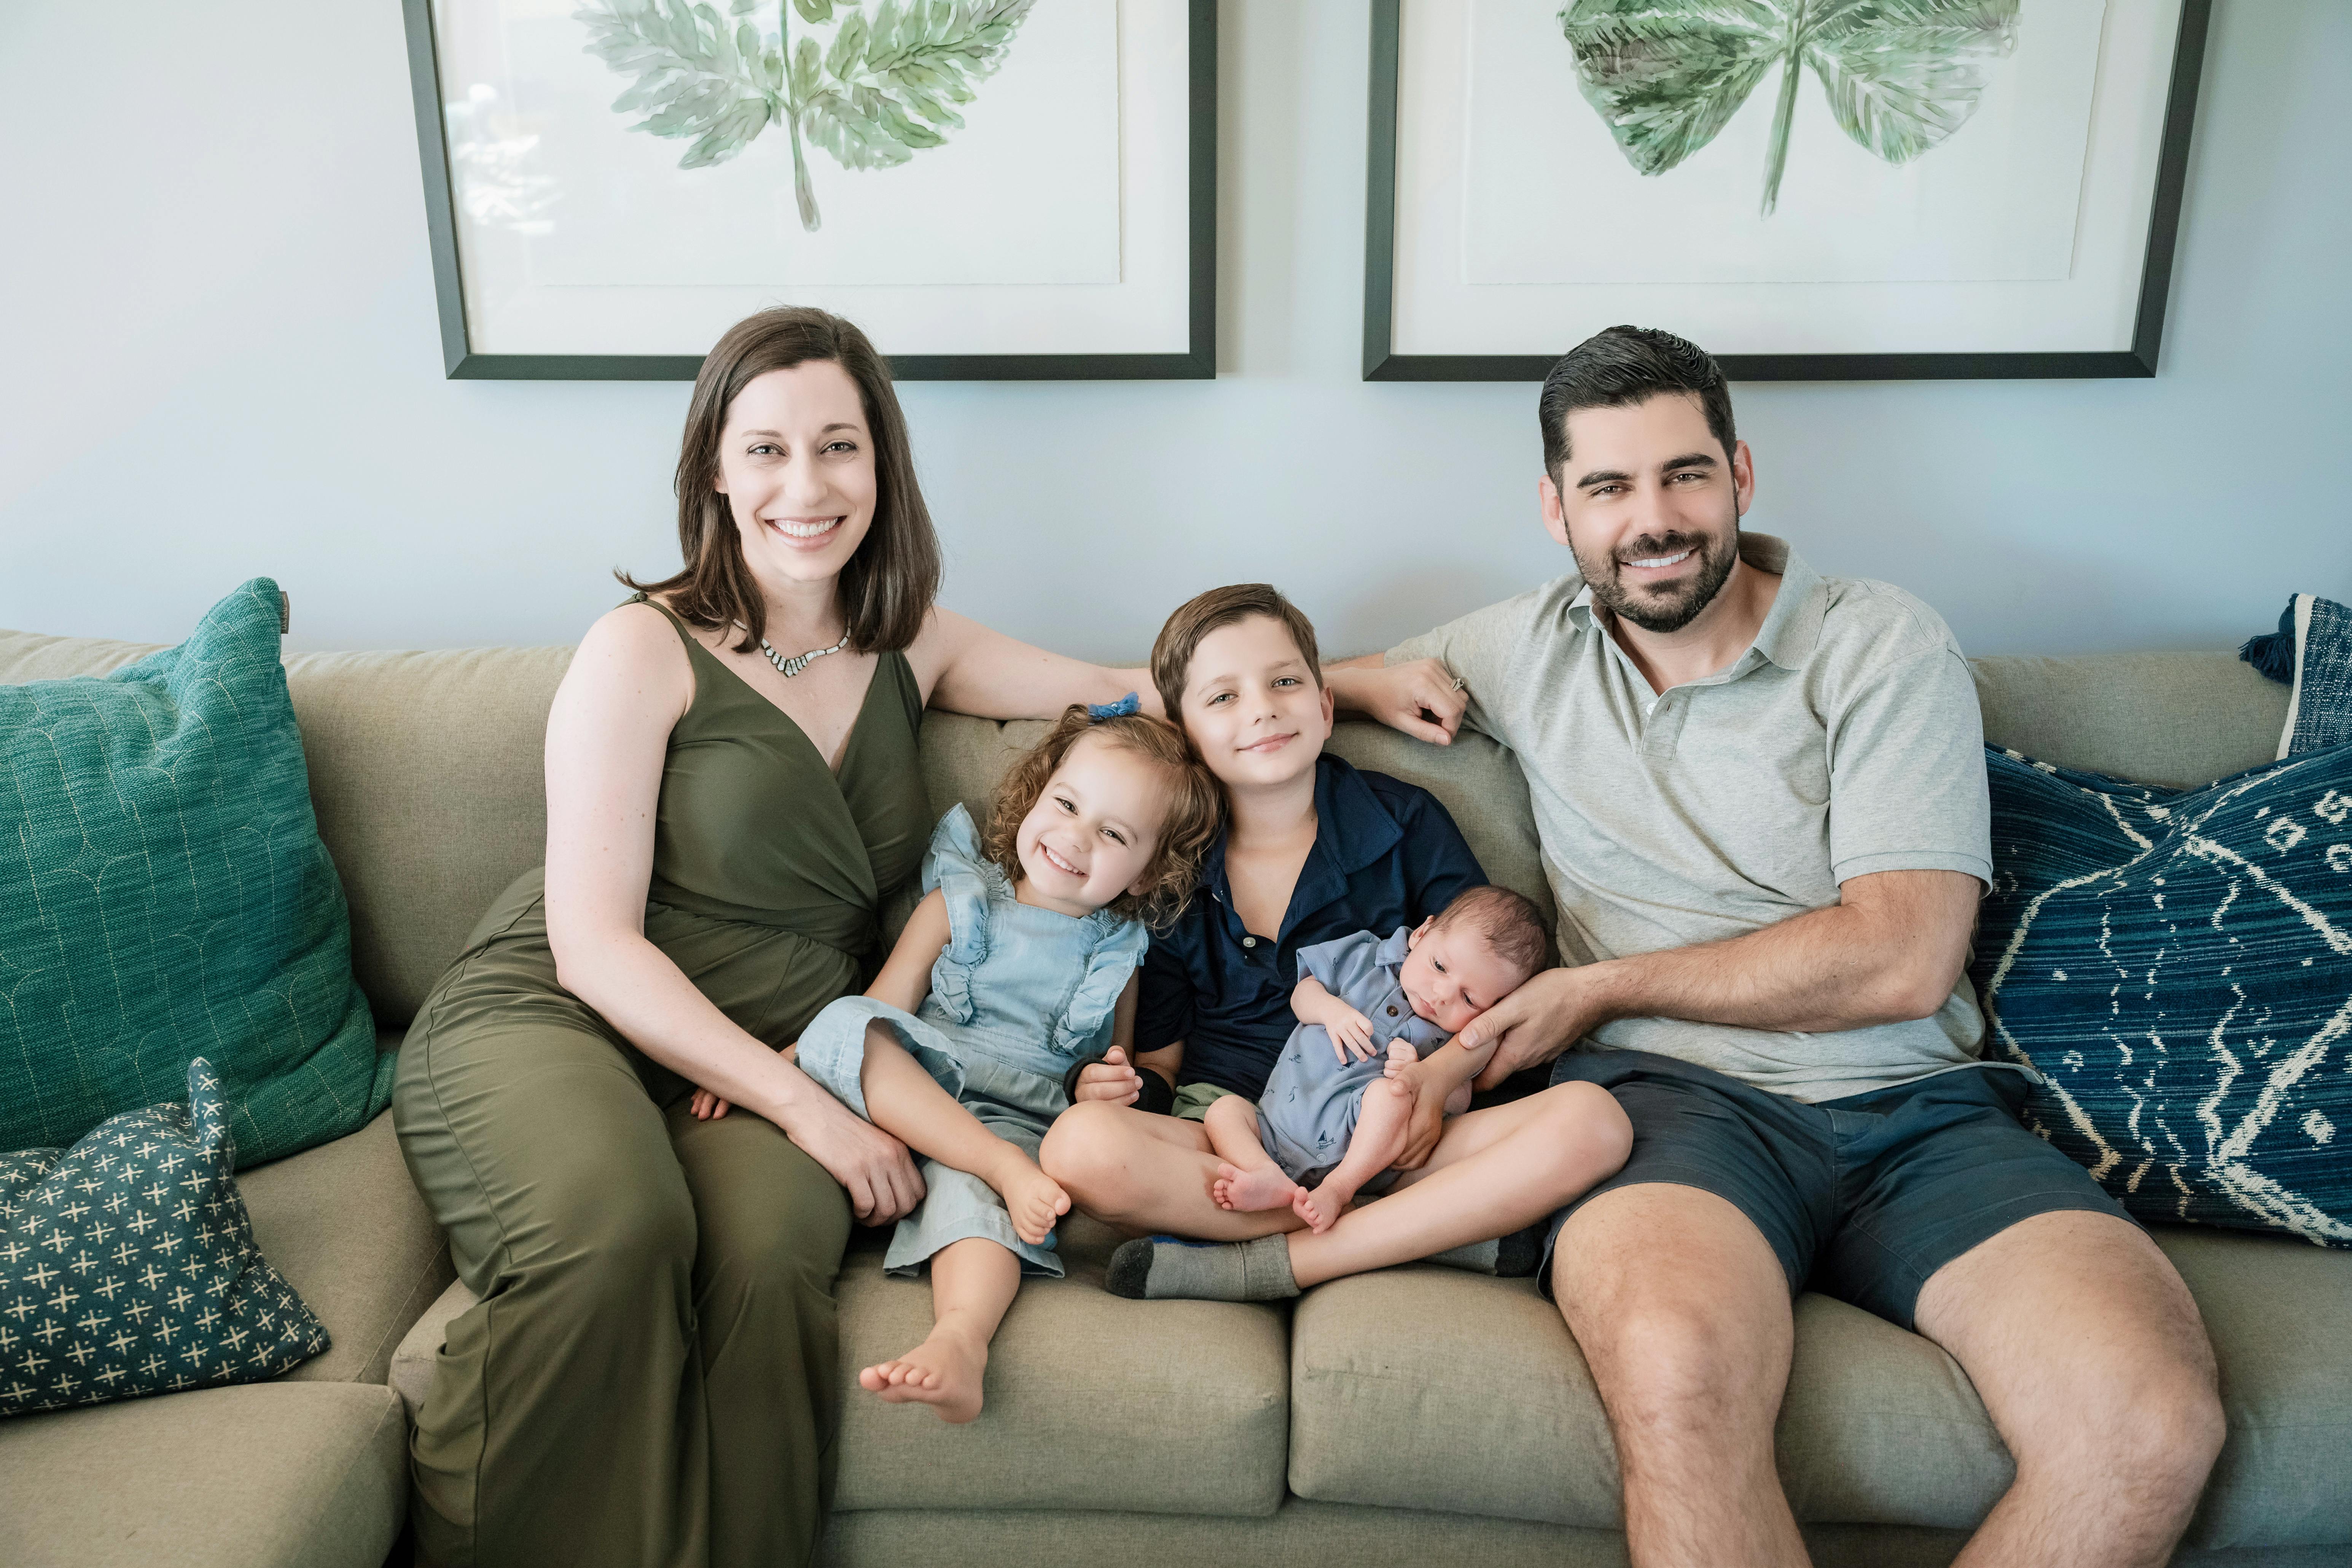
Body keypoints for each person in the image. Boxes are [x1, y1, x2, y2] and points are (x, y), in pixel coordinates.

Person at [1326, 325, 2226, 1568]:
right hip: (1668, 1107)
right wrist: (1355, 684)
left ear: (1741, 474)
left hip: (1923, 1108)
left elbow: (1901, 960)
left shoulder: (1880, 643)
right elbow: (1246, 686)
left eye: (1683, 475)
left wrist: (1602, 987)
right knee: (1679, 1379)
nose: (1653, 519)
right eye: (1609, 487)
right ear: (1556, 510)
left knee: (2153, 1422)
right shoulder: (1524, 649)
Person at [391, 307, 1155, 1568]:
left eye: (840, 447)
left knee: (766, 1267)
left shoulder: (917, 638)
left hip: (778, 1052)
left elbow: (1137, 690)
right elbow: (592, 945)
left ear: (883, 466)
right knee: (617, 1233)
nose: (806, 487)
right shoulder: (640, 648)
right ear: (713, 470)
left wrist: (1342, 684)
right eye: (765, 451)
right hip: (560, 1013)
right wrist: (808, 1106)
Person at [1039, 585, 1632, 1302]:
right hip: (1235, 1138)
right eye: (1222, 697)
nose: (1261, 708)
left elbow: (1492, 987)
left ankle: (1276, 1260)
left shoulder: (1404, 823)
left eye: (1285, 682)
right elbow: (1160, 1057)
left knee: (1594, 1123)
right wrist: (1121, 1087)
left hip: (1390, 1125)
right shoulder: (1169, 861)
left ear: (1325, 707)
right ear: (1187, 735)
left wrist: (1434, 1084)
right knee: (1080, 1145)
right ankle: (1418, 1232)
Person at [693, 708, 1218, 1424]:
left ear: (1149, 870)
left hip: (1023, 1113)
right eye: (1066, 804)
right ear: (1036, 796)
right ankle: (1000, 1167)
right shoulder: (957, 903)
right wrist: (766, 1068)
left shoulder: (1120, 956)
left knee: (976, 1211)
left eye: (1114, 833)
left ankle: (959, 1342)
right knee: (846, 1025)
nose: (1074, 836)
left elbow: (1109, 1071)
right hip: (917, 1085)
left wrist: (1106, 1084)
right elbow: (876, 1011)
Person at [1204, 884, 1553, 1233]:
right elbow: (1302, 993)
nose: (1442, 994)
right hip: (1274, 1125)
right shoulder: (1364, 956)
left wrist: (1420, 1072)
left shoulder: (1459, 1038)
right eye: (1439, 966)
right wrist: (1329, 1011)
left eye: (1470, 999)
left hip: (1356, 1147)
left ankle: (1338, 1189)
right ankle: (1263, 1173)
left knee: (1390, 1097)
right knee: (1223, 1111)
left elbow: (1460, 1096)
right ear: (1421, 933)